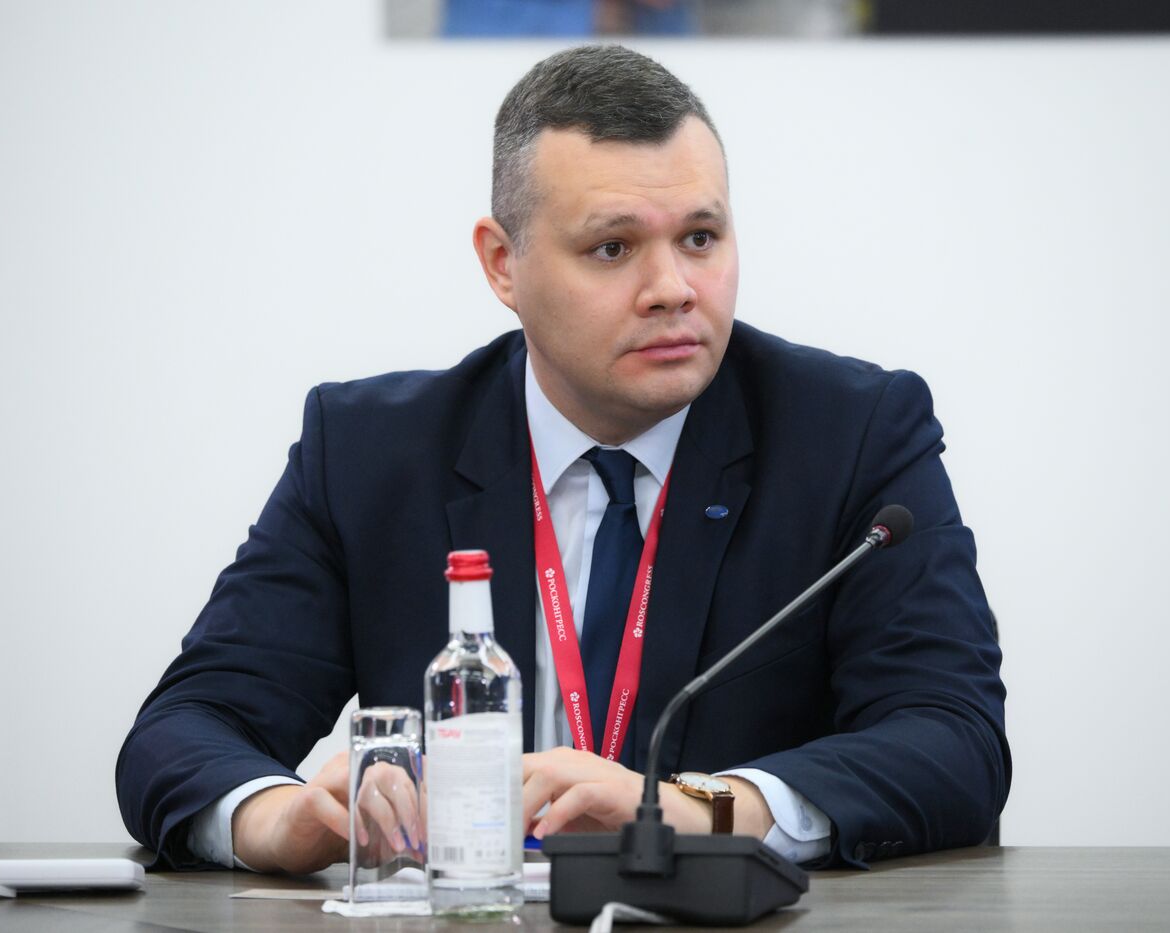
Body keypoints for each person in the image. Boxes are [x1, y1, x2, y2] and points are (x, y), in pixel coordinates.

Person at [117, 44, 1009, 875]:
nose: (673, 288)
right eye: (613, 247)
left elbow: (953, 740)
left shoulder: (852, 433)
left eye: (701, 237)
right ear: (504, 264)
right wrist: (287, 817)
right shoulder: (369, 454)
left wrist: (693, 807)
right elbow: (185, 728)